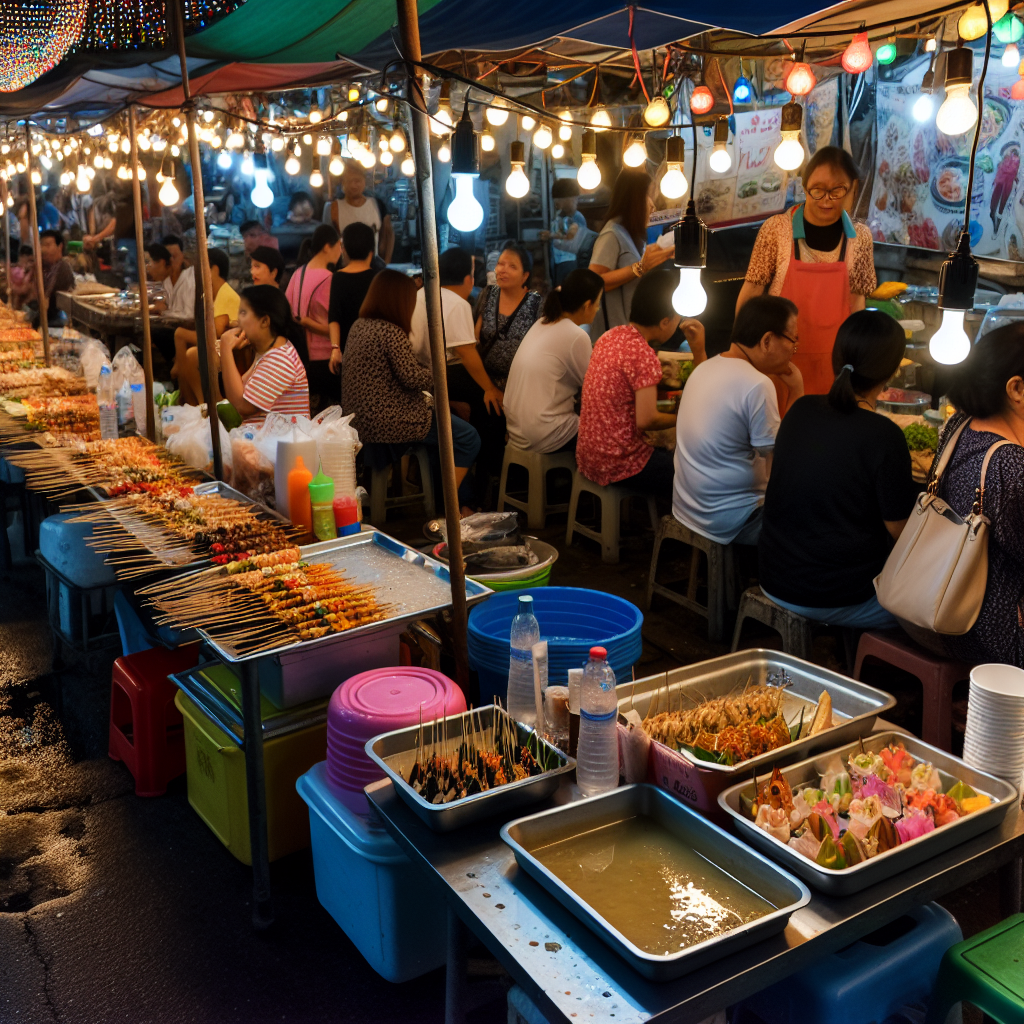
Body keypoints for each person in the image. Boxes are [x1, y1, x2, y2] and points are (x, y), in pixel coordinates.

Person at [758, 311, 918, 628]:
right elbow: (902, 533)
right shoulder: (884, 435)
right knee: (932, 611)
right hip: (835, 595)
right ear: (892, 370)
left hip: (772, 576)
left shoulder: (801, 409)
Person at [907, 324, 1024, 667]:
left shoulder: (960, 424)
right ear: (1016, 388)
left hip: (929, 604)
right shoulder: (1010, 464)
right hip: (985, 632)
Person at [737, 146, 876, 397]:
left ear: (852, 188)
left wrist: (860, 360)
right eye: (818, 190)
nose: (826, 200)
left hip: (837, 365)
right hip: (779, 363)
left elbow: (857, 301)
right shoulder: (777, 229)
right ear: (804, 186)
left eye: (837, 191)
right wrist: (740, 356)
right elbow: (752, 291)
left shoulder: (861, 238)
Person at [342, 270, 481, 511]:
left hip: (361, 419)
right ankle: (454, 505)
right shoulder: (390, 331)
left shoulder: (360, 325)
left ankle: (454, 502)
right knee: (467, 438)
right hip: (391, 421)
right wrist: (439, 369)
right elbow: (413, 378)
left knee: (447, 432)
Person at [672, 295, 801, 546]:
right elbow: (782, 459)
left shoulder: (705, 367)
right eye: (793, 341)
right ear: (766, 340)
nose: (794, 350)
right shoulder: (757, 384)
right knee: (815, 519)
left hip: (686, 507)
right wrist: (797, 391)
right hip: (730, 520)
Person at [577, 270, 701, 497]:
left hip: (588, 457)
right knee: (695, 472)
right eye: (677, 318)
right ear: (665, 322)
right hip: (619, 464)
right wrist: (684, 418)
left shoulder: (610, 336)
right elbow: (647, 419)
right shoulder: (643, 355)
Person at [504, 268, 603, 453]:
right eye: (598, 303)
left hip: (516, 429)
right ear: (587, 305)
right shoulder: (576, 335)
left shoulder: (542, 322)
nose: (598, 309)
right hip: (545, 434)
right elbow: (596, 387)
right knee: (608, 430)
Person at [588, 168, 675, 337]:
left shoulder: (629, 235)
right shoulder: (612, 234)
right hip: (613, 337)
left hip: (628, 334)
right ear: (635, 199)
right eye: (650, 196)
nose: (653, 206)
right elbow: (594, 282)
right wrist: (640, 267)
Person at [218, 286, 310, 426]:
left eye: (244, 313)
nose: (238, 320)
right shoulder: (269, 351)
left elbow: (242, 406)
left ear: (265, 321)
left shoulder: (279, 359)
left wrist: (225, 349)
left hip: (276, 446)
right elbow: (238, 391)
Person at [286, 223, 342, 412]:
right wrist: (310, 323)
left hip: (298, 357)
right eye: (339, 245)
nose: (341, 251)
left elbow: (288, 314)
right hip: (325, 359)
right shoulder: (329, 278)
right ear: (327, 246)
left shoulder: (297, 274)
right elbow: (336, 327)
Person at [175, 248, 241, 404]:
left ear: (214, 270)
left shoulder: (227, 294)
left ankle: (204, 402)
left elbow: (217, 331)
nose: (197, 274)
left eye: (201, 268)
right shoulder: (209, 294)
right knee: (182, 345)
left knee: (181, 337)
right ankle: (194, 400)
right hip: (215, 345)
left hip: (232, 349)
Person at [327, 222, 379, 373]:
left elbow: (334, 317)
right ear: (371, 250)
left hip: (348, 349)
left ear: (345, 250)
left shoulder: (338, 278)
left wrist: (335, 348)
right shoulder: (378, 277)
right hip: (376, 349)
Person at [323, 163, 394, 265]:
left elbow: (389, 234)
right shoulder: (334, 207)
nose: (353, 185)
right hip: (344, 267)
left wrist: (386, 262)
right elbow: (327, 240)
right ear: (343, 183)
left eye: (357, 181)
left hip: (373, 266)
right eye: (349, 181)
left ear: (364, 182)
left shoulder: (376, 204)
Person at [540, 178, 593, 286]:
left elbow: (572, 239)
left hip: (571, 263)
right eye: (556, 199)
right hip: (558, 263)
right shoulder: (559, 216)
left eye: (558, 199)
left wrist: (551, 236)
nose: (556, 202)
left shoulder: (578, 218)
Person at [37, 229, 75, 318]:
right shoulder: (43, 266)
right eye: (41, 245)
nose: (43, 250)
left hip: (57, 320)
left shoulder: (63, 268)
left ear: (60, 246)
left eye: (47, 245)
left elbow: (48, 303)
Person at [9, 245, 35, 310]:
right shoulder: (17, 269)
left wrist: (10, 286)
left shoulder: (32, 273)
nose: (30, 264)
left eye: (31, 261)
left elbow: (23, 290)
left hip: (28, 305)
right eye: (29, 261)